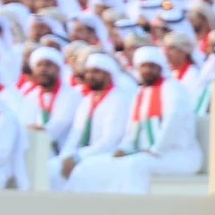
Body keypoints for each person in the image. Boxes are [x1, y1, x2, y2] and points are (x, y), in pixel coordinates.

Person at [63, 46, 202, 194]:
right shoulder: (140, 93)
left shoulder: (172, 89)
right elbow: (132, 132)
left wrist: (155, 149)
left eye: (152, 66)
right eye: (143, 67)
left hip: (177, 155)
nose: (147, 70)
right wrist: (123, 149)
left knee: (134, 166)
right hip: (144, 153)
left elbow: (173, 121)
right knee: (89, 165)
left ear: (160, 67)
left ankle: (133, 210)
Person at [48, 53, 130, 191]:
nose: (91, 76)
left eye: (96, 72)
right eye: (88, 72)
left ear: (109, 75)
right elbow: (75, 135)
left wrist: (77, 157)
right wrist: (66, 156)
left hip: (107, 154)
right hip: (82, 154)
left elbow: (110, 140)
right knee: (51, 167)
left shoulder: (119, 99)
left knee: (81, 172)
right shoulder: (86, 100)